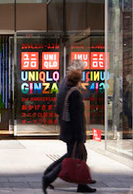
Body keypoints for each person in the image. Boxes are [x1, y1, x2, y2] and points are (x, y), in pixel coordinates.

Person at [42, 60, 95, 193]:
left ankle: (82, 181)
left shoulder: (67, 86)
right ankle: (49, 177)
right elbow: (76, 116)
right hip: (72, 130)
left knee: (74, 155)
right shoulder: (73, 91)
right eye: (81, 72)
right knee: (73, 156)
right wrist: (80, 135)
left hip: (68, 127)